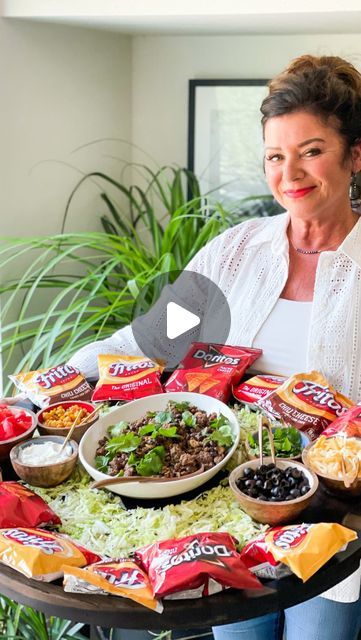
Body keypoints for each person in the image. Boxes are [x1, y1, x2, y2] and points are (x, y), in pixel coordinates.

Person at [4, 54, 361, 639]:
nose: (290, 173)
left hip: (329, 521)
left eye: (312, 150)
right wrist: (48, 381)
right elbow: (147, 340)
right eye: (275, 155)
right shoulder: (236, 252)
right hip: (229, 515)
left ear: (356, 154)